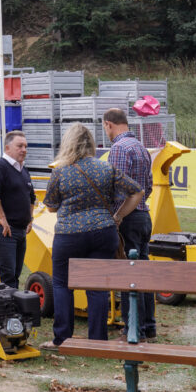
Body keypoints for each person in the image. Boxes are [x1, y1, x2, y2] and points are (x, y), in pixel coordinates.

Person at [40, 123, 143, 350]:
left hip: (69, 234)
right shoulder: (105, 168)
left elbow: (50, 207)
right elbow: (137, 191)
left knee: (61, 284)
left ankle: (62, 339)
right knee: (97, 287)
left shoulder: (60, 171)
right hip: (103, 231)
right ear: (92, 144)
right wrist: (118, 216)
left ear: (68, 143)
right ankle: (97, 341)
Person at [102, 108, 155, 341]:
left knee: (129, 275)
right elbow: (149, 186)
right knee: (143, 273)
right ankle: (148, 327)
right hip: (143, 215)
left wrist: (116, 216)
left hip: (127, 217)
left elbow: (118, 190)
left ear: (108, 125)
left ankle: (132, 329)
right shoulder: (141, 148)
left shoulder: (118, 149)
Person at [0, 131, 35, 289]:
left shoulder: (23, 170)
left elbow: (31, 197)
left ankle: (15, 308)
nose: (24, 149)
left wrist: (30, 219)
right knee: (7, 275)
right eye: (19, 146)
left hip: (20, 230)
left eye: (25, 146)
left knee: (16, 273)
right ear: (7, 148)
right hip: (4, 229)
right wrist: (2, 219)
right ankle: (9, 312)